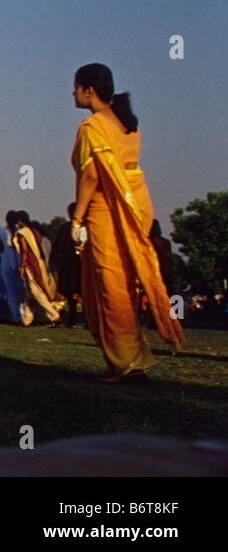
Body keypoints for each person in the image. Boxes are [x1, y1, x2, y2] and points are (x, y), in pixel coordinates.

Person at [70, 63, 184, 381]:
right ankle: (127, 358)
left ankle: (127, 362)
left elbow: (92, 174)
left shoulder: (93, 127)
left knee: (110, 288)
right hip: (136, 209)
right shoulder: (128, 124)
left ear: (88, 90)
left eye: (76, 87)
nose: (73, 93)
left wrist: (77, 217)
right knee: (123, 284)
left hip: (106, 212)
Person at [13, 210, 59, 325]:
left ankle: (53, 315)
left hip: (31, 266)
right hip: (40, 263)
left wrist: (22, 267)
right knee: (29, 294)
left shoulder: (22, 233)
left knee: (36, 292)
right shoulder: (35, 231)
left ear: (20, 221)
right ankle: (27, 320)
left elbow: (24, 251)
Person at [49, 204, 82, 327]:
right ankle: (75, 318)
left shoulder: (68, 228)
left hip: (72, 265)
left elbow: (56, 247)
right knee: (73, 293)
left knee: (74, 293)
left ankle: (75, 318)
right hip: (74, 265)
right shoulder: (68, 228)